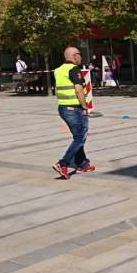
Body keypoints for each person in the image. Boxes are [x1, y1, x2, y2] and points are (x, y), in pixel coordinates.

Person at [52, 46, 93, 179]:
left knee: (78, 136)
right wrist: (85, 107)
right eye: (79, 54)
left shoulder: (58, 70)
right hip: (74, 108)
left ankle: (82, 164)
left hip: (63, 108)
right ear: (75, 56)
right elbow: (79, 90)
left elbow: (57, 90)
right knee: (80, 137)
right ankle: (62, 163)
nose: (81, 57)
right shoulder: (74, 69)